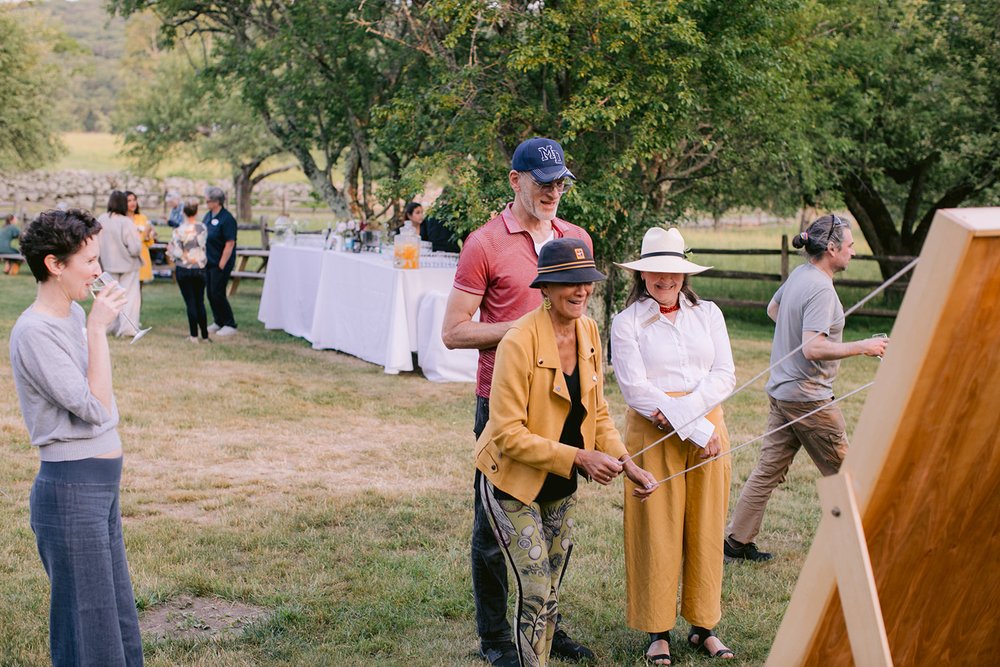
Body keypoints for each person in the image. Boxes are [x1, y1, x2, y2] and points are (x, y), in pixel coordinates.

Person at [442, 137, 596, 666]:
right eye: (542, 181)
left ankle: (547, 626)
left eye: (560, 182)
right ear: (515, 181)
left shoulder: (576, 238)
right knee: (495, 526)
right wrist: (529, 332)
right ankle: (495, 639)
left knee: (555, 521)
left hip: (563, 403)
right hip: (503, 405)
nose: (553, 191)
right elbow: (454, 332)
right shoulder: (483, 243)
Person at [477, 238, 657, 667]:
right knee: (535, 588)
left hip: (558, 484)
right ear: (545, 288)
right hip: (511, 483)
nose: (581, 291)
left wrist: (627, 461)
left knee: (552, 586)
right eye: (569, 283)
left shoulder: (589, 332)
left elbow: (598, 413)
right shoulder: (517, 341)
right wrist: (579, 458)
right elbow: (505, 433)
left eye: (587, 282)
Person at [10, 208, 144, 666]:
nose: (98, 271)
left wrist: (89, 325)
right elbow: (95, 407)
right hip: (70, 491)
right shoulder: (34, 331)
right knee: (86, 623)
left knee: (115, 613)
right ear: (54, 264)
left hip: (99, 485)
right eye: (88, 261)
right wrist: (96, 328)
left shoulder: (68, 316)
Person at [725, 214, 888, 562]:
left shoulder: (801, 274)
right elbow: (813, 347)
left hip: (783, 394)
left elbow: (774, 309)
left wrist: (794, 329)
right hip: (809, 400)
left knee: (767, 471)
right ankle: (873, 547)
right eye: (850, 245)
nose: (854, 252)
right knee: (847, 474)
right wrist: (864, 346)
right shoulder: (821, 288)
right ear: (831, 248)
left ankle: (735, 543)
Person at [611, 227, 737, 664]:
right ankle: (658, 632)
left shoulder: (710, 314)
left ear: (684, 274)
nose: (665, 280)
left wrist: (697, 425)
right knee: (657, 532)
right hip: (653, 431)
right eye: (655, 273)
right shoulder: (626, 323)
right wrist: (691, 426)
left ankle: (704, 627)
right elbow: (635, 389)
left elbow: (724, 374)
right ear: (642, 275)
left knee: (705, 527)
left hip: (709, 434)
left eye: (673, 272)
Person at [97, 191, 143, 337]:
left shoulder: (102, 219)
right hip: (128, 265)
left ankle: (109, 326)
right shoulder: (126, 222)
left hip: (108, 264)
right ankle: (127, 329)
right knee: (129, 297)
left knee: (111, 298)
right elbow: (135, 248)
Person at [168, 198, 210, 343]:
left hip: (184, 269)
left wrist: (171, 250)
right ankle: (205, 335)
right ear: (197, 211)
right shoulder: (203, 228)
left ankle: (193, 336)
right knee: (200, 301)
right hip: (200, 268)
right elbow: (202, 244)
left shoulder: (178, 231)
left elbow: (177, 252)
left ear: (183, 211)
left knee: (190, 302)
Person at [202, 186, 238, 337]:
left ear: (217, 201)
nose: (206, 202)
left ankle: (229, 323)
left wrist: (222, 263)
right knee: (210, 293)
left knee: (218, 293)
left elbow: (230, 243)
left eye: (208, 200)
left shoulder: (227, 219)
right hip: (208, 261)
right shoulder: (208, 215)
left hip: (221, 262)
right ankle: (218, 321)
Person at [126, 191, 156, 284]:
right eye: (129, 200)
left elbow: (149, 242)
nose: (133, 203)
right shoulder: (121, 219)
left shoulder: (142, 218)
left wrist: (149, 235)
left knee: (138, 292)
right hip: (127, 258)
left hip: (142, 257)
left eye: (134, 200)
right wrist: (143, 235)